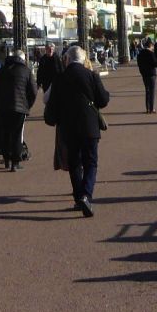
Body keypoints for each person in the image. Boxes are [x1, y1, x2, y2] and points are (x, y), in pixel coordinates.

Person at [43, 44, 110, 217]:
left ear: (67, 59)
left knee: (74, 163)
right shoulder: (91, 75)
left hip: (68, 127)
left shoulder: (60, 78)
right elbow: (103, 100)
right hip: (89, 126)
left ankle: (78, 197)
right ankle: (86, 195)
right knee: (90, 162)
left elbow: (51, 103)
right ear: (82, 59)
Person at [0, 50, 38, 171]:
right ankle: (15, 162)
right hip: (19, 108)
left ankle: (6, 160)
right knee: (16, 135)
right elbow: (33, 91)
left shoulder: (2, 70)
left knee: (5, 133)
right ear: (23, 59)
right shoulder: (26, 71)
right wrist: (28, 105)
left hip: (3, 108)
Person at [136, 38, 157, 103]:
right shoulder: (151, 53)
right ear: (151, 45)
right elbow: (155, 64)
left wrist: (142, 71)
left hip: (144, 74)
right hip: (151, 74)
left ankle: (148, 108)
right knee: (152, 91)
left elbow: (139, 63)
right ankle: (151, 108)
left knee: (147, 90)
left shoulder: (140, 53)